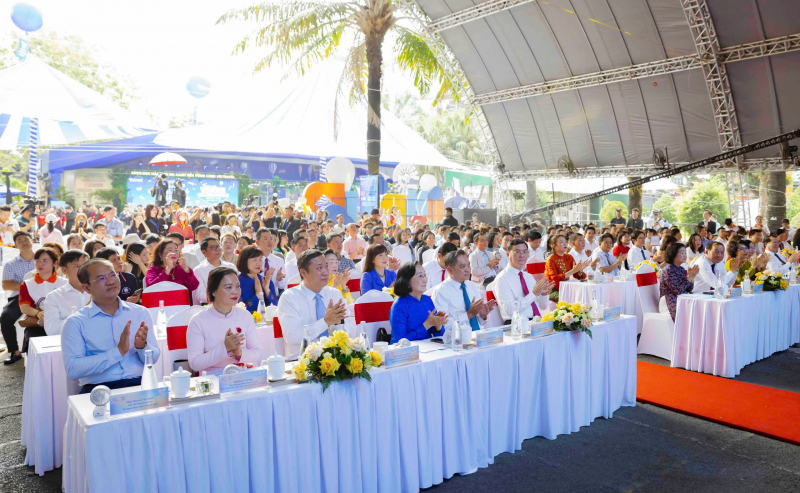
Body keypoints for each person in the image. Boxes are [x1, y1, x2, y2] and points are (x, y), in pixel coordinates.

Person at [62, 258, 160, 393]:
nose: (110, 281)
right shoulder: (76, 322)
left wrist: (142, 347)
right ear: (86, 287)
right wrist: (117, 352)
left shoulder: (139, 312)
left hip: (140, 385)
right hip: (100, 390)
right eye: (101, 278)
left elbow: (153, 358)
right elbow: (73, 369)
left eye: (113, 275)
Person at [186, 267, 265, 375]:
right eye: (228, 287)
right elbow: (195, 363)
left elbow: (258, 352)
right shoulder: (198, 321)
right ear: (213, 291)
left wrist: (239, 352)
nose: (235, 291)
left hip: (242, 376)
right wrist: (225, 348)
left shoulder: (245, 315)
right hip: (212, 379)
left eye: (237, 286)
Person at [276, 249, 347, 360]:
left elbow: (351, 330)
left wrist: (337, 325)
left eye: (326, 266)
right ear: (303, 273)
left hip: (335, 359)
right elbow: (293, 337)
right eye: (319, 268)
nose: (325, 272)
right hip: (302, 361)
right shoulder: (289, 298)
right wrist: (325, 321)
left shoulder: (335, 294)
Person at [429, 250, 496, 331]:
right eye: (463, 266)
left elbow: (480, 322)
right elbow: (443, 325)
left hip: (477, 336)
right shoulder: (441, 291)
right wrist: (469, 314)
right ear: (450, 270)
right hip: (457, 339)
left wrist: (482, 315)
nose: (468, 270)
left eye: (468, 265)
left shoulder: (472, 286)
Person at [18, 247, 68, 351]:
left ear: (55, 263)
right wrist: (38, 313)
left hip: (60, 323)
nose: (40, 264)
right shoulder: (27, 284)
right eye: (37, 260)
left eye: (45, 261)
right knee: (34, 346)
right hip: (37, 324)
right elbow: (24, 307)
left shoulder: (65, 283)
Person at [494, 239, 555, 321]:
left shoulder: (528, 276)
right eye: (517, 252)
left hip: (536, 321)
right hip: (516, 324)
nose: (522, 255)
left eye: (525, 252)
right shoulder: (502, 278)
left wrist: (542, 294)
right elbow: (510, 310)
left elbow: (543, 306)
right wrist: (534, 294)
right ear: (508, 254)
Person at [388, 262, 448, 343]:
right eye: (420, 276)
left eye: (425, 275)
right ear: (407, 282)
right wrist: (427, 324)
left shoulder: (427, 300)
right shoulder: (398, 306)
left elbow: (439, 335)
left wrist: (438, 325)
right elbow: (399, 342)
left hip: (430, 350)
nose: (425, 280)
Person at [1, 232, 36, 364]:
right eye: (19, 240)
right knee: (5, 316)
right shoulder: (11, 264)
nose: (24, 242)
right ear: (15, 245)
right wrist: (27, 285)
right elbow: (6, 285)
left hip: (44, 294)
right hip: (20, 296)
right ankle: (14, 352)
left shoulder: (42, 258)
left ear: (32, 241)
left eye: (26, 239)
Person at [43, 249, 91, 336]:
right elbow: (51, 330)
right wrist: (85, 313)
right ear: (64, 270)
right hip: (70, 344)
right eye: (77, 266)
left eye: (85, 265)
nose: (83, 270)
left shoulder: (99, 291)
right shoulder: (54, 297)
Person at [660, 243, 700, 320]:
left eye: (685, 253)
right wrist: (689, 277)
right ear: (673, 254)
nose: (685, 255)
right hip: (669, 300)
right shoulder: (668, 270)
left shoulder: (681, 269)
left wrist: (692, 277)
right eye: (682, 253)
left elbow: (689, 289)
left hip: (681, 298)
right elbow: (678, 290)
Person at [544, 235, 591, 301]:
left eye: (566, 242)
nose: (565, 244)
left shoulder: (569, 257)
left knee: (582, 295)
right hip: (553, 290)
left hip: (567, 287)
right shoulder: (551, 259)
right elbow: (554, 279)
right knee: (570, 299)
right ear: (554, 246)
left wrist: (580, 270)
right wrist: (572, 271)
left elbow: (576, 275)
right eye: (561, 242)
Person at [192, 236, 236, 305]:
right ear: (204, 252)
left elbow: (238, 288)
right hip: (209, 307)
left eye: (218, 246)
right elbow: (200, 295)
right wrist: (221, 297)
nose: (217, 249)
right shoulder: (199, 270)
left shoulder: (230, 267)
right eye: (213, 247)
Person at [237, 245, 278, 312]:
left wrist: (267, 290)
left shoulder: (266, 281)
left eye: (260, 259)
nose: (258, 263)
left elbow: (276, 307)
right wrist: (258, 295)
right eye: (254, 260)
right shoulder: (237, 282)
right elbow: (240, 309)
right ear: (244, 261)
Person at [255, 228, 287, 292]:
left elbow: (282, 286)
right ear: (257, 243)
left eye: (271, 239)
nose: (270, 242)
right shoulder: (253, 261)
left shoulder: (279, 260)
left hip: (274, 298)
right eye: (266, 239)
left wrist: (279, 279)